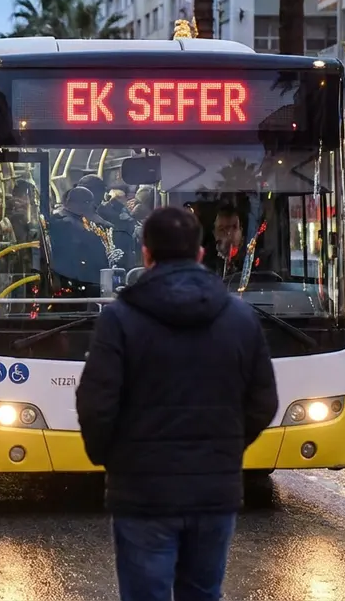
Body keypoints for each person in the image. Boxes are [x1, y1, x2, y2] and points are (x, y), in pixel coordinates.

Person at [75, 206, 278, 601]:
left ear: (146, 254)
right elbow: (263, 401)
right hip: (213, 490)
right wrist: (226, 448)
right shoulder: (239, 317)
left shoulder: (119, 319)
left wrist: (112, 459)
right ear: (200, 254)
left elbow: (95, 404)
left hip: (142, 491)